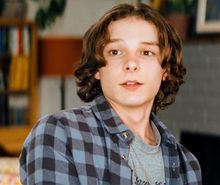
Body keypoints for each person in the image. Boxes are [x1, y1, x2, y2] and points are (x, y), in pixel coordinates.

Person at [19, 3, 202, 185]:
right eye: (115, 52)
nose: (131, 64)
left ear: (166, 70)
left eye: (146, 52)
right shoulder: (59, 134)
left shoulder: (187, 165)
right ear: (97, 68)